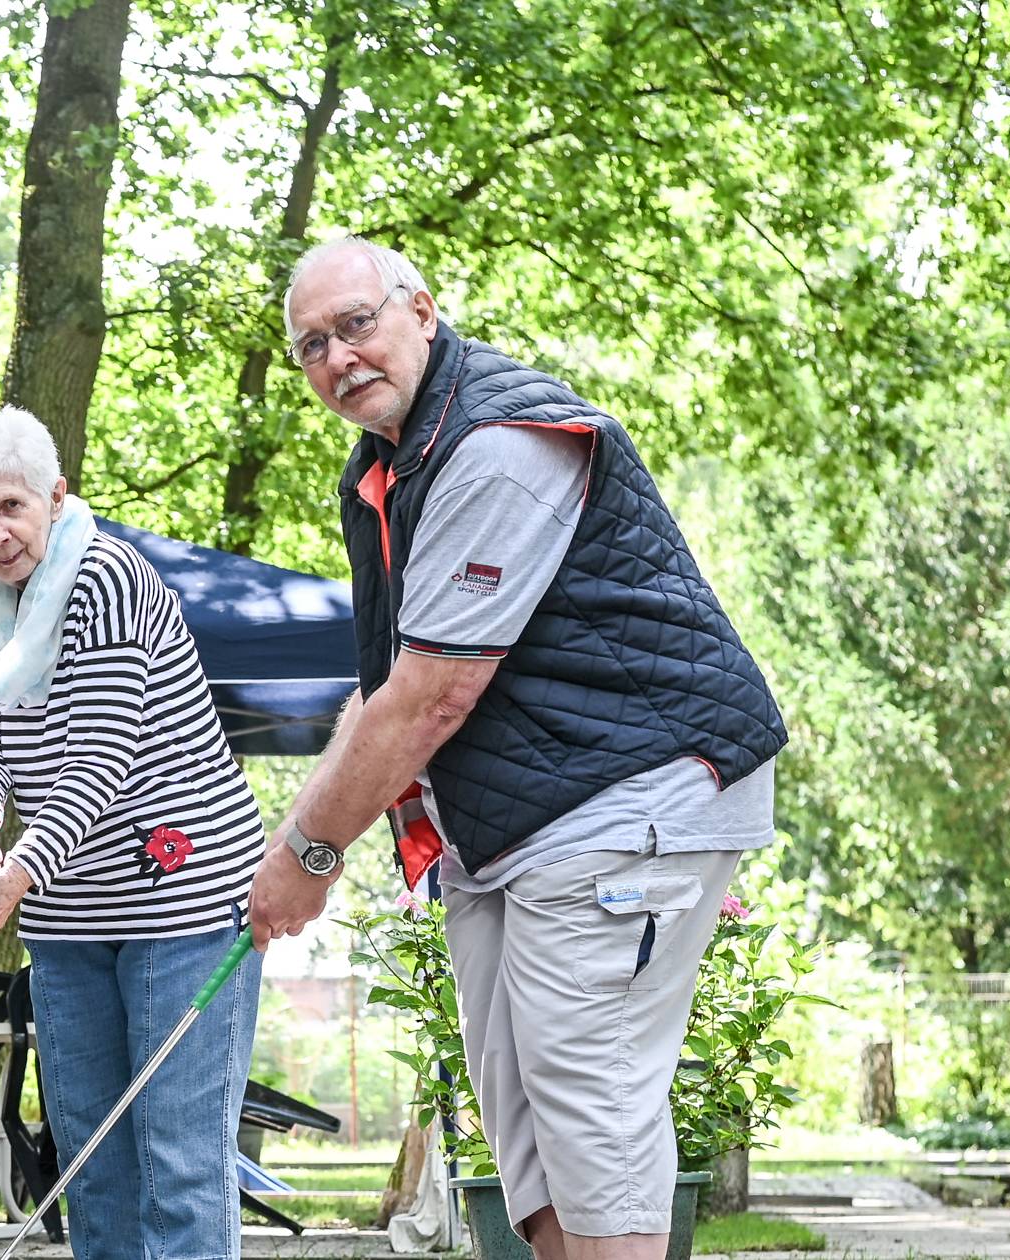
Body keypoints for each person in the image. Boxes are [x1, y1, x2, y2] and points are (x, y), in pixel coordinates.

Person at [245, 237, 787, 1260]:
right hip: (512, 822)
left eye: (355, 324)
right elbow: (384, 697)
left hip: (629, 790)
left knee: (586, 1080)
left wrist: (311, 853)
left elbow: (431, 695)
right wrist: (302, 835)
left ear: (422, 310)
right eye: (311, 344)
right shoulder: (392, 465)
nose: (338, 358)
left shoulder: (498, 440)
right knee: (518, 1103)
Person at [0, 406, 264, 1260]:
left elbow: (99, 760)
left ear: (55, 496)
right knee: (90, 1156)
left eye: (12, 506)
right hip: (68, 912)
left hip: (184, 898)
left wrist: (14, 872)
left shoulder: (106, 577)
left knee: (177, 1158)